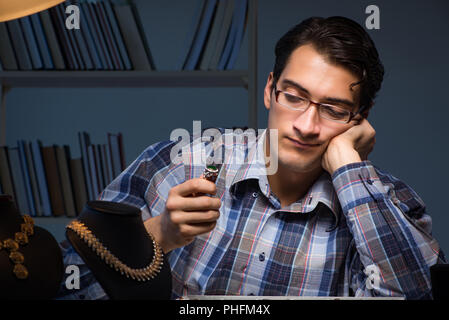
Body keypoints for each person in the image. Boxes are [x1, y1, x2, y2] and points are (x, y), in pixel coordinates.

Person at [59, 16, 445, 300]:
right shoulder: (176, 162)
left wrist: (349, 168)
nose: (306, 126)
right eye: (293, 96)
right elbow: (67, 281)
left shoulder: (392, 207)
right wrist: (157, 236)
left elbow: (413, 295)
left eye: (333, 109)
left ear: (361, 117)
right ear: (269, 90)